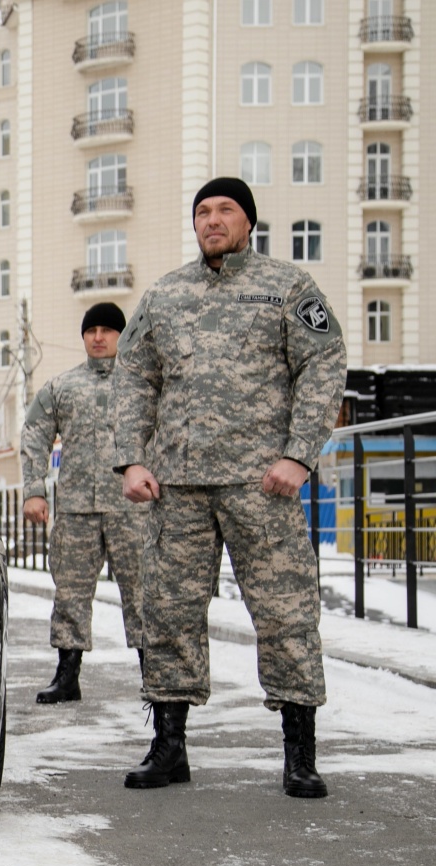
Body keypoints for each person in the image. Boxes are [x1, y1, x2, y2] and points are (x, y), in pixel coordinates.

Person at [113, 177, 346, 798]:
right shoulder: (165, 295)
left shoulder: (286, 287)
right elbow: (134, 379)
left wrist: (299, 455)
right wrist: (131, 461)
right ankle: (169, 747)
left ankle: (300, 753)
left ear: (248, 221)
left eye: (225, 210)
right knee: (167, 612)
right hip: (178, 487)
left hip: (261, 483)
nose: (212, 220)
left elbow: (323, 365)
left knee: (285, 612)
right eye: (203, 212)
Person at [21, 302, 144, 703]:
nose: (98, 337)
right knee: (70, 592)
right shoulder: (62, 387)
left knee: (144, 592)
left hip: (133, 508)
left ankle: (155, 674)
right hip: (76, 508)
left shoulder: (143, 383)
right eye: (92, 330)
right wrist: (34, 489)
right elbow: (35, 434)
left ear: (122, 336)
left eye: (108, 330)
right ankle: (67, 675)